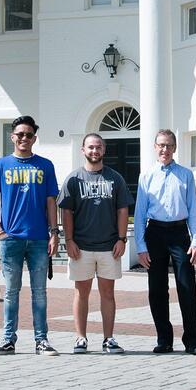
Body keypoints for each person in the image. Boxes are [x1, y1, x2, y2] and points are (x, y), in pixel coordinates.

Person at [0, 114, 60, 356]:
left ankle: (42, 340)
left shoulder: (45, 165)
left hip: (38, 238)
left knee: (39, 292)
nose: (24, 138)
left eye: (29, 135)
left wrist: (54, 232)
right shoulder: (0, 165)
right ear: (12, 137)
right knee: (11, 292)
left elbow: (51, 202)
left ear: (34, 138)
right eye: (20, 134)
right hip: (12, 240)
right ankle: (8, 340)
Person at [58, 132, 134, 354]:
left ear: (104, 150)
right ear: (83, 150)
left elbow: (123, 210)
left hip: (109, 247)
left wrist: (122, 239)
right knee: (81, 293)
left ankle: (108, 338)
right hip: (81, 247)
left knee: (108, 294)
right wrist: (69, 240)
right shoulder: (74, 179)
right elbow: (67, 212)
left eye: (98, 147)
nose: (94, 151)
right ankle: (80, 338)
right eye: (90, 147)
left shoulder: (115, 178)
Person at [134, 128, 196, 354]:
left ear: (175, 148)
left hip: (179, 234)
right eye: (161, 145)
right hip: (155, 233)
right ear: (155, 148)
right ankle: (164, 339)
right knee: (156, 289)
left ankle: (192, 341)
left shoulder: (185, 175)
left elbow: (194, 209)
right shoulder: (146, 176)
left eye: (169, 145)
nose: (165, 149)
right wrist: (141, 247)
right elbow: (140, 213)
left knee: (186, 287)